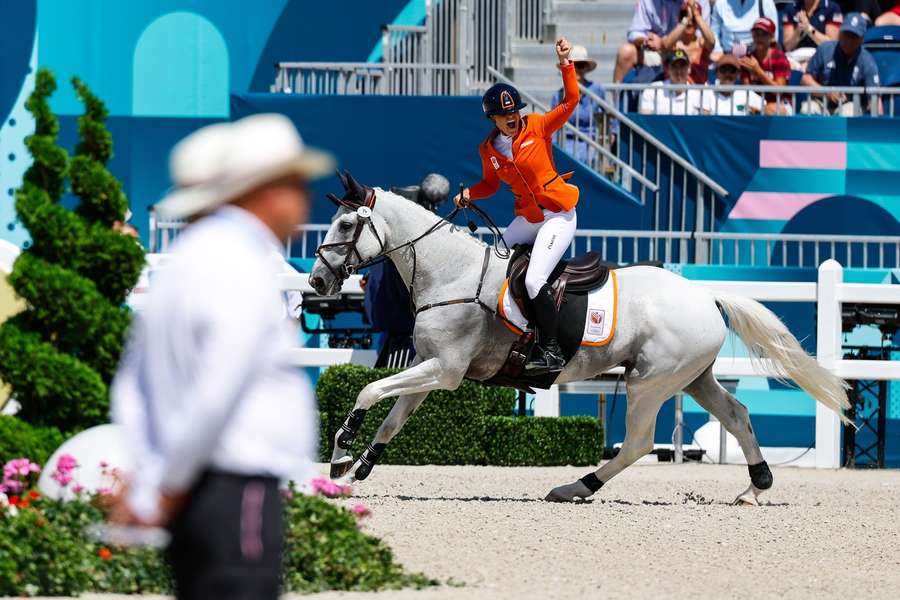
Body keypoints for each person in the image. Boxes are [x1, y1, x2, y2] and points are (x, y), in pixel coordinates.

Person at [109, 113, 333, 600]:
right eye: (296, 182)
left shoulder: (192, 258)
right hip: (235, 484)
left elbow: (132, 389)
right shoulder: (239, 264)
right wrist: (166, 486)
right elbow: (217, 390)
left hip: (203, 485)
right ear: (265, 189)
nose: (304, 197)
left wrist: (151, 476)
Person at [454, 37, 577, 373]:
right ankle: (506, 332)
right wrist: (470, 195)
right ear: (493, 119)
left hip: (558, 214)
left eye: (513, 112)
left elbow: (571, 100)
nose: (511, 118)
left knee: (536, 280)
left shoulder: (538, 126)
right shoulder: (488, 150)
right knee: (495, 261)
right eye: (503, 115)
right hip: (530, 217)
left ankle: (551, 350)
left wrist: (566, 63)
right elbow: (490, 185)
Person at [801, 12, 881, 114]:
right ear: (839, 33)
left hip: (849, 105)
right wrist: (827, 93)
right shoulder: (825, 49)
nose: (847, 41)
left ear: (861, 39)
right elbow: (805, 79)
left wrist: (878, 124)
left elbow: (874, 98)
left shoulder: (867, 61)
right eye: (845, 34)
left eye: (853, 37)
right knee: (808, 108)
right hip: (822, 102)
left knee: (850, 112)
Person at [615, 0, 713, 82]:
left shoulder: (700, 2)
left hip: (686, 52)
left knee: (688, 51)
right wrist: (647, 42)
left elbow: (707, 41)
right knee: (625, 52)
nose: (690, 21)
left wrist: (696, 15)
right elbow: (635, 33)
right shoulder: (649, 1)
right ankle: (614, 103)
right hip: (657, 52)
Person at [551, 45, 614, 166]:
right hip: (566, 142)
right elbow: (552, 126)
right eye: (573, 66)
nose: (577, 70)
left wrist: (611, 134)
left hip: (592, 143)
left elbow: (610, 116)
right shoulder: (558, 95)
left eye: (580, 66)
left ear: (586, 68)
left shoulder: (597, 90)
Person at [740, 16, 794, 114]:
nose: (759, 38)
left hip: (780, 103)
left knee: (771, 110)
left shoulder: (779, 57)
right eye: (756, 34)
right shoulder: (748, 58)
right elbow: (746, 91)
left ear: (771, 37)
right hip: (756, 104)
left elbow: (779, 91)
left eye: (764, 34)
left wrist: (758, 71)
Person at [662, 0, 718, 83]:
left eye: (694, 19)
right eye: (684, 16)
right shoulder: (672, 43)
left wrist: (697, 15)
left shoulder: (702, 44)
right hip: (673, 93)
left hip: (698, 93)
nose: (690, 22)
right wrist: (686, 20)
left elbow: (712, 42)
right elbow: (666, 46)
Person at [639, 49, 704, 114]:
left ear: (689, 69)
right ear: (668, 69)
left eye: (682, 67)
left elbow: (704, 122)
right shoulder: (653, 90)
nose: (679, 72)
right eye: (674, 67)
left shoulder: (698, 94)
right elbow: (645, 119)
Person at [782, 0, 843, 69]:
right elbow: (788, 47)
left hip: (820, 55)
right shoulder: (791, 8)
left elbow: (831, 46)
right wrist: (799, 30)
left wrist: (809, 28)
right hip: (796, 56)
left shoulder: (832, 8)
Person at [712, 0, 780, 54]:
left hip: (757, 56)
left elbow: (773, 37)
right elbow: (714, 32)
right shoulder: (720, 3)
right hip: (727, 57)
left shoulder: (766, 3)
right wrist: (718, 51)